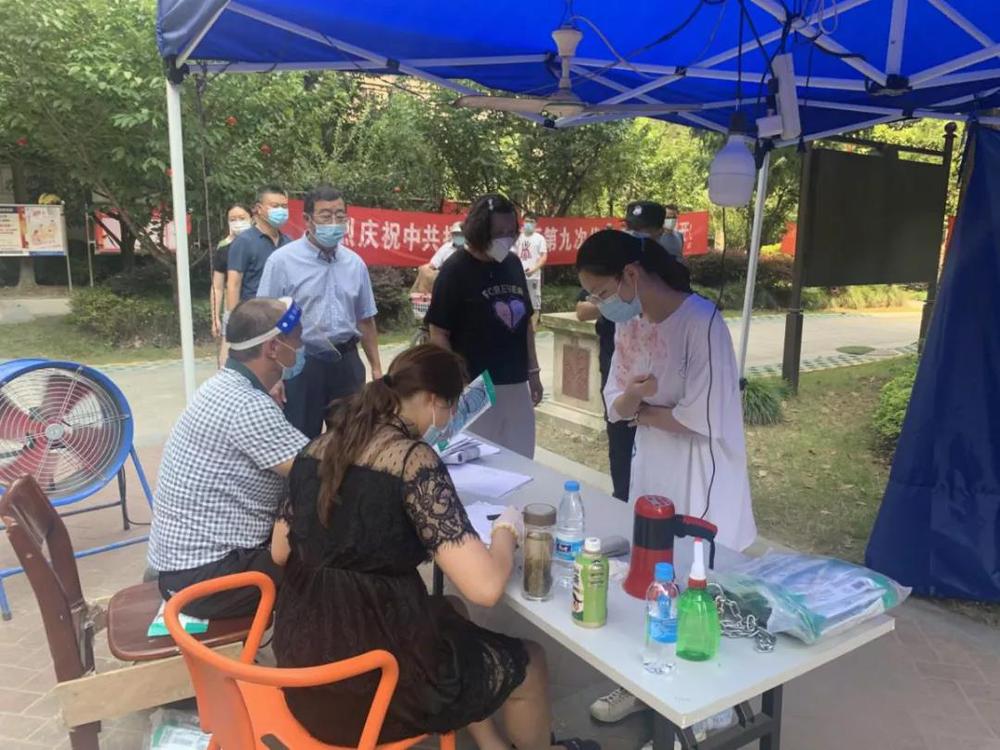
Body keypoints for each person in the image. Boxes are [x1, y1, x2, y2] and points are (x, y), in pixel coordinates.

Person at [271, 344, 596, 750]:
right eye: (450, 407)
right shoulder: (412, 460)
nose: (447, 420)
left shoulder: (316, 449)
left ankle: (491, 743)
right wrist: (505, 533)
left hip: (304, 669)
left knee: (451, 611)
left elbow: (280, 551)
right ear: (431, 400)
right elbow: (485, 588)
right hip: (369, 686)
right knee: (531, 664)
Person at [577, 230, 756, 726]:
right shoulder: (629, 324)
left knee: (697, 581)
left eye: (602, 292)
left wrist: (643, 412)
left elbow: (704, 418)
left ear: (631, 275)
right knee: (652, 574)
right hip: (652, 466)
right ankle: (646, 681)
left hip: (700, 473)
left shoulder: (702, 323)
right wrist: (638, 402)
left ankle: (708, 708)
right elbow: (615, 406)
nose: (600, 305)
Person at [147, 297, 309, 618]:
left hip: (185, 567)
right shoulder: (247, 406)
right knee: (329, 568)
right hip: (206, 578)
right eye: (297, 340)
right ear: (273, 348)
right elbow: (318, 470)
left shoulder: (223, 387)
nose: (301, 348)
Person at [257, 184, 382, 439]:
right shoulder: (282, 262)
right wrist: (272, 376)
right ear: (307, 219)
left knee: (351, 440)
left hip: (346, 362)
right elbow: (265, 320)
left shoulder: (355, 264)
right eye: (325, 216)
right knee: (301, 441)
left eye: (340, 215)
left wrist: (377, 369)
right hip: (301, 364)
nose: (334, 223)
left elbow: (366, 320)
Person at [426, 194, 544, 458]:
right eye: (498, 232)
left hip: (515, 381)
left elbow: (525, 323)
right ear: (480, 231)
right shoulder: (455, 269)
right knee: (478, 460)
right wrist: (456, 381)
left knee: (520, 457)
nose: (506, 238)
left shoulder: (513, 264)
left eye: (510, 232)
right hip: (474, 386)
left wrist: (533, 370)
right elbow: (438, 332)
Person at [575, 291, 635, 502]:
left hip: (646, 377)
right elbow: (582, 311)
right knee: (620, 441)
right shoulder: (606, 283)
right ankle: (621, 497)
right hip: (613, 374)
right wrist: (617, 303)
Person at [226, 185, 290, 311]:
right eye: (275, 206)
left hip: (283, 315)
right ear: (259, 209)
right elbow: (233, 284)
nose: (281, 210)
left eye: (284, 206)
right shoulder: (244, 242)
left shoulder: (288, 243)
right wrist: (231, 317)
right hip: (253, 315)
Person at [211, 204, 253, 367]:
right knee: (227, 359)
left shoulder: (261, 242)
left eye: (242, 218)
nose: (237, 223)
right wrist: (215, 317)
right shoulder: (224, 248)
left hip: (259, 308)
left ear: (252, 219)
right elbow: (217, 286)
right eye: (232, 219)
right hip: (233, 310)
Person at [412, 221, 465, 295]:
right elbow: (433, 264)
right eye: (456, 234)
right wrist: (425, 269)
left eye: (460, 234)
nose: (458, 236)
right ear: (452, 235)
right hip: (445, 278)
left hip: (464, 279)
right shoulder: (446, 247)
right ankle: (422, 297)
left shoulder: (470, 248)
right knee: (424, 270)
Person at [514, 214, 548, 324]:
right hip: (518, 276)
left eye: (531, 221)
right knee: (517, 302)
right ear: (523, 222)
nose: (528, 223)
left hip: (533, 277)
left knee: (535, 304)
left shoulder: (539, 238)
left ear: (536, 224)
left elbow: (543, 257)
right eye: (527, 221)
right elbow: (512, 255)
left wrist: (534, 269)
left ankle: (533, 328)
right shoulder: (518, 237)